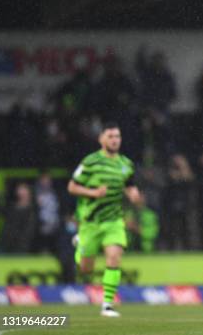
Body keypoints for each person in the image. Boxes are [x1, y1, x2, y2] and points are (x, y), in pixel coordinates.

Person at [68, 122, 141, 317]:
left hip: (114, 220)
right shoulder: (90, 162)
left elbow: (130, 185)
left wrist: (134, 195)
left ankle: (107, 305)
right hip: (90, 222)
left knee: (114, 257)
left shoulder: (126, 164)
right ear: (101, 139)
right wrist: (93, 192)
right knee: (85, 269)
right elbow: (72, 187)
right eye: (110, 136)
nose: (115, 140)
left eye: (117, 136)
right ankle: (79, 244)